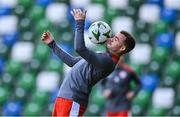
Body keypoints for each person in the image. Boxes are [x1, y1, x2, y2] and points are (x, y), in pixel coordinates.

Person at [41, 8, 136, 116]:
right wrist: (52, 44)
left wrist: (79, 23)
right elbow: (72, 62)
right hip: (64, 97)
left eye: (116, 39)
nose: (111, 38)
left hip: (73, 99)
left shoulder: (107, 62)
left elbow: (80, 48)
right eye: (114, 36)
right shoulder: (103, 56)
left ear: (122, 48)